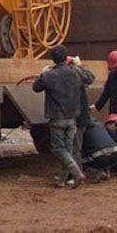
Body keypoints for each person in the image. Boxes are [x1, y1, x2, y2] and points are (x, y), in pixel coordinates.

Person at [33, 46, 90, 188]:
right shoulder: (75, 72)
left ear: (53, 59)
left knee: (58, 149)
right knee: (68, 149)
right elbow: (90, 78)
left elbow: (36, 87)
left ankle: (76, 173)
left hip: (57, 118)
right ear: (66, 58)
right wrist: (79, 65)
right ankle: (62, 180)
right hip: (72, 118)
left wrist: (43, 73)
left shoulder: (49, 75)